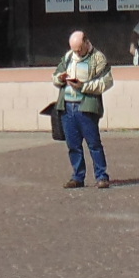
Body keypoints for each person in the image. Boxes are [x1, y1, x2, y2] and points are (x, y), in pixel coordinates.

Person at [53, 29, 112, 189]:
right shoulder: (68, 57)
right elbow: (55, 76)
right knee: (73, 145)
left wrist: (83, 86)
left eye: (79, 49)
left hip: (86, 107)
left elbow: (106, 82)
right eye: (74, 50)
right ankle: (78, 176)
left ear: (86, 43)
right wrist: (60, 78)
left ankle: (101, 176)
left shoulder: (98, 58)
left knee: (94, 144)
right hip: (67, 106)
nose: (77, 53)